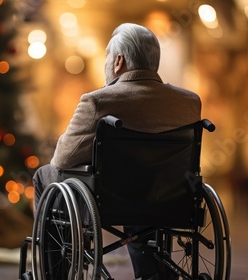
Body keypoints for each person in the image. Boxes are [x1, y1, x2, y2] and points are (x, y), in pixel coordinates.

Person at [33, 23, 201, 280]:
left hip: (109, 201)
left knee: (44, 175)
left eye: (107, 57)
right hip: (168, 197)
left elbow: (62, 160)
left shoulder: (98, 101)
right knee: (144, 183)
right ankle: (152, 272)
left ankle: (54, 271)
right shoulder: (189, 102)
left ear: (119, 61)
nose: (106, 63)